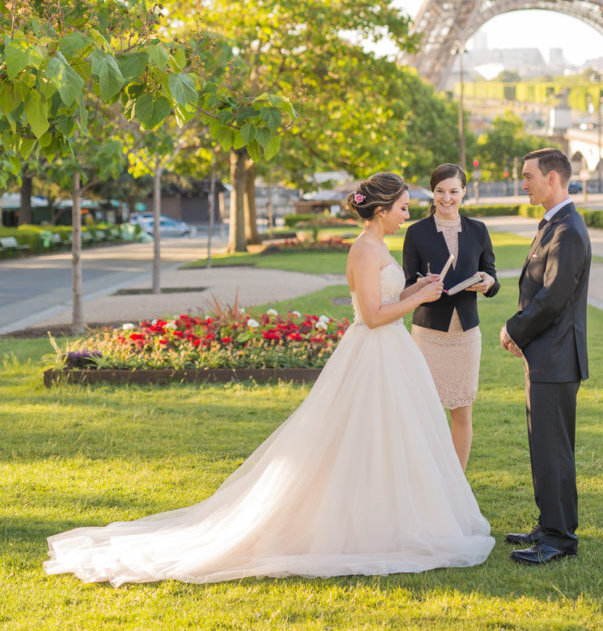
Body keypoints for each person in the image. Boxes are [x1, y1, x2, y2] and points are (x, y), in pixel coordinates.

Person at [44, 172, 494, 586]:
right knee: (357, 436)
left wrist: (418, 289)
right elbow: (373, 316)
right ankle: (361, 519)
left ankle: (397, 512)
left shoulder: (380, 248)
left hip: (393, 355)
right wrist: (421, 300)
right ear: (380, 210)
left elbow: (389, 298)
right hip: (374, 353)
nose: (407, 214)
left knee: (396, 437)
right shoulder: (362, 250)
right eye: (402, 206)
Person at [500, 148, 591, 565]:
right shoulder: (554, 224)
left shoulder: (568, 230)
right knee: (545, 447)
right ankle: (549, 524)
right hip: (545, 357)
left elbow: (553, 299)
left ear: (552, 178)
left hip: (556, 359)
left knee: (553, 450)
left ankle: (558, 540)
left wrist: (513, 328)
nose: (523, 182)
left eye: (528, 176)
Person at [402, 164, 499, 470]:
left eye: (453, 191)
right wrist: (423, 286)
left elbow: (492, 275)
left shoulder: (479, 230)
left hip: (467, 335)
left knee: (463, 412)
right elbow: (406, 285)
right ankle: (429, 480)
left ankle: (457, 483)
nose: (447, 198)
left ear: (464, 192)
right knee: (426, 413)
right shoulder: (416, 233)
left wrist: (488, 282)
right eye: (441, 191)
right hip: (429, 334)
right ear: (433, 192)